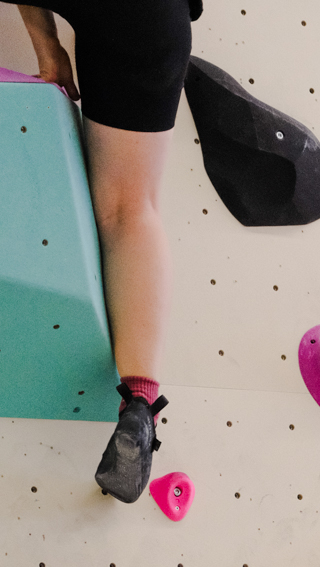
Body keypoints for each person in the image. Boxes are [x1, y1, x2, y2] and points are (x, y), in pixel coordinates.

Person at [14, 2, 199, 503]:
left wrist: (48, 48)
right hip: (147, 18)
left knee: (120, 211)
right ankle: (139, 401)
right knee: (131, 211)